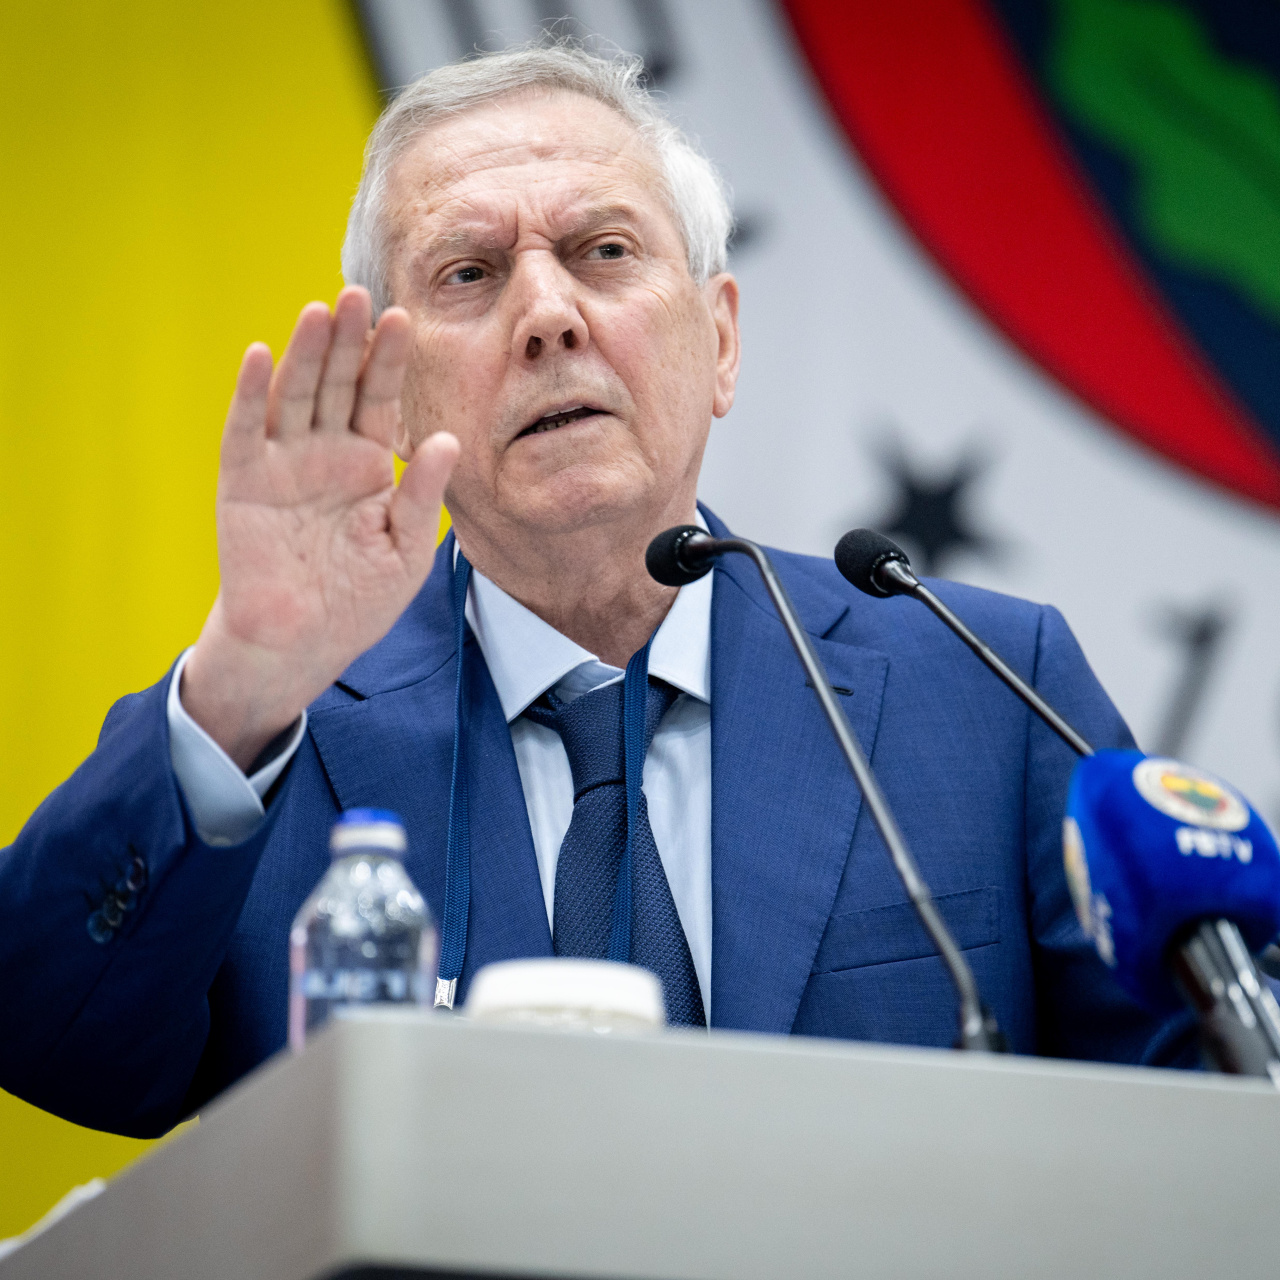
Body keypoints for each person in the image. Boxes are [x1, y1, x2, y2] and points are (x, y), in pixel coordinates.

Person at [0, 45, 1192, 1139]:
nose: (546, 316)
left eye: (602, 251)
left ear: (719, 340)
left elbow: (1205, 1100)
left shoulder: (983, 692)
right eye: (469, 273)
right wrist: (240, 684)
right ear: (393, 391)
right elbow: (47, 1033)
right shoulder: (268, 739)